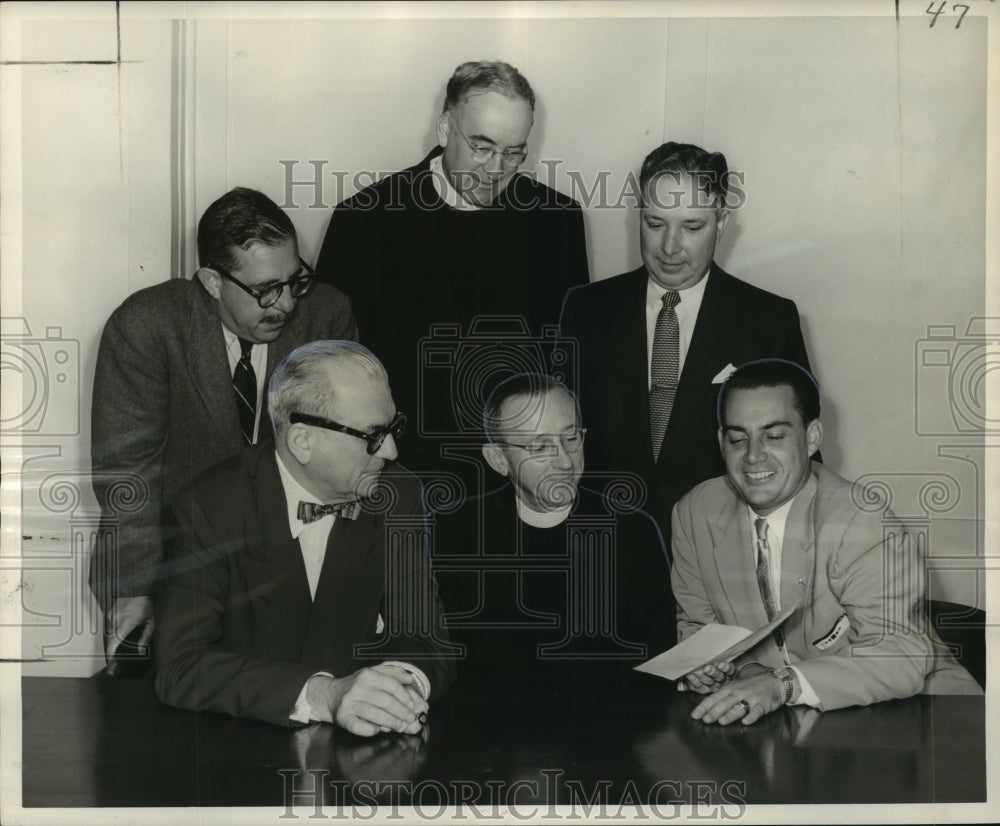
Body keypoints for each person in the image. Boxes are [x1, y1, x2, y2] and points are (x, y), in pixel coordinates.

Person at [90, 187, 358, 667]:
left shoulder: (327, 315)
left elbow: (344, 451)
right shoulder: (147, 325)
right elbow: (128, 472)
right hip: (178, 568)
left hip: (296, 567)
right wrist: (134, 589)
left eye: (294, 280)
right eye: (265, 290)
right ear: (212, 282)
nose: (286, 304)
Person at [155, 340, 455, 732]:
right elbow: (180, 666)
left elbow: (425, 638)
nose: (392, 451)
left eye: (393, 428)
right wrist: (322, 695)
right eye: (375, 435)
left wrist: (398, 687)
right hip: (242, 743)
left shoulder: (399, 495)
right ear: (302, 441)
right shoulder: (208, 507)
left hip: (364, 746)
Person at [670, 359, 982, 726]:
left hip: (926, 718)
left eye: (774, 436)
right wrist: (727, 669)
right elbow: (699, 629)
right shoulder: (695, 512)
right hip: (791, 725)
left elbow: (898, 655)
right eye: (738, 439)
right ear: (721, 442)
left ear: (812, 437)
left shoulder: (863, 520)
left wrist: (780, 685)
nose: (753, 456)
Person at [314, 60, 589, 475]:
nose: (496, 170)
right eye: (482, 147)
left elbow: (566, 361)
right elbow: (329, 371)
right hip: (399, 473)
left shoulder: (558, 220)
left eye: (513, 153)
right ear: (445, 129)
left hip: (519, 476)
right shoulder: (364, 220)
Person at [559, 142, 814, 540]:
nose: (669, 247)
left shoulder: (768, 320)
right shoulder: (585, 310)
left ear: (721, 222)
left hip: (722, 550)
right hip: (603, 546)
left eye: (692, 227)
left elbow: (799, 461)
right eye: (655, 224)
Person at [431, 373, 675, 691]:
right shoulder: (453, 532)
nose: (565, 462)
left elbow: (655, 660)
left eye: (571, 438)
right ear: (498, 459)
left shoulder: (633, 531)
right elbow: (441, 655)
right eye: (540, 446)